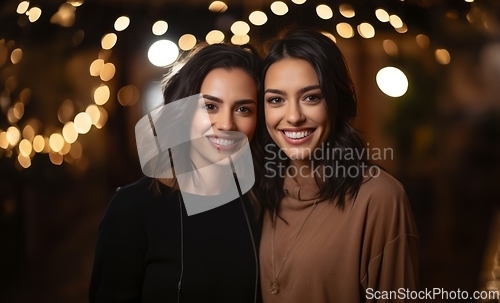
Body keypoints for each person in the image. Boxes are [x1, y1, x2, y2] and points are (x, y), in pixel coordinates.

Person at [253, 28, 419, 302]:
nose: (293, 116)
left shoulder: (379, 197)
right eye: (276, 100)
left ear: (337, 102)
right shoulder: (263, 190)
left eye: (311, 97)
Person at [89, 43, 263, 303]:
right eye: (210, 106)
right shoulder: (132, 209)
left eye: (243, 109)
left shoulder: (263, 204)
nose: (227, 124)